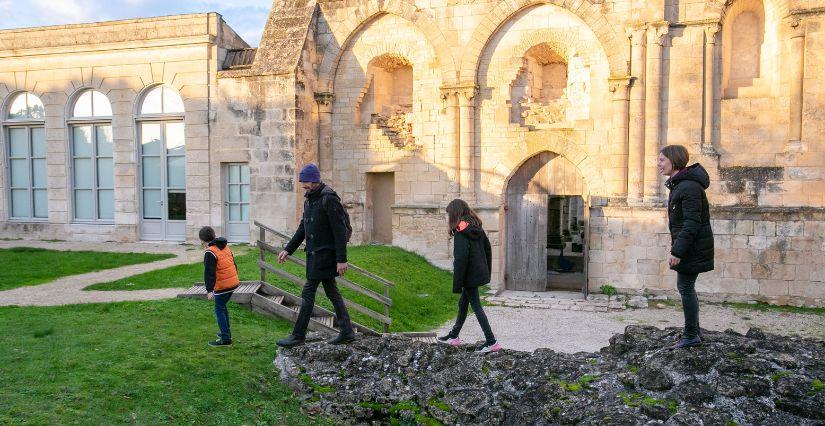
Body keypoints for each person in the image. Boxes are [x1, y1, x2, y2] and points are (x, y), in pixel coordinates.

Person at [276, 163, 355, 348]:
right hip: (315, 256)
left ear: (315, 180)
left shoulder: (329, 199)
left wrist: (342, 260)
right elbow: (303, 228)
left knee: (308, 292)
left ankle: (298, 335)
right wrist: (288, 249)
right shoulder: (310, 200)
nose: (303, 185)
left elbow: (340, 231)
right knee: (332, 292)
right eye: (302, 182)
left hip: (325, 256)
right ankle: (347, 331)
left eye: (306, 182)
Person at [658, 145, 715, 349]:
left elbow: (692, 223)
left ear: (674, 160)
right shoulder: (680, 185)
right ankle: (694, 332)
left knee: (685, 287)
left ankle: (691, 335)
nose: (659, 164)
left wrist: (677, 251)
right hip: (691, 246)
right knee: (686, 287)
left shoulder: (688, 186)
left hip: (692, 248)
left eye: (662, 160)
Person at [437, 199, 501, 353]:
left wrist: (458, 282)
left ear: (455, 214)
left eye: (449, 214)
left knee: (477, 307)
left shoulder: (461, 231)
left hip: (469, 276)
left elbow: (460, 259)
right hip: (476, 273)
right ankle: (454, 336)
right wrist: (485, 270)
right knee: (463, 304)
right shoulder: (475, 226)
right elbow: (487, 249)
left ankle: (491, 341)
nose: (448, 218)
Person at [200, 226, 240, 348]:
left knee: (219, 309)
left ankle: (225, 339)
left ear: (202, 240)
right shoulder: (225, 246)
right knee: (222, 307)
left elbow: (209, 273)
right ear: (213, 235)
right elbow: (234, 263)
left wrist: (209, 290)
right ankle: (226, 333)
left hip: (223, 286)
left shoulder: (210, 252)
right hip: (233, 283)